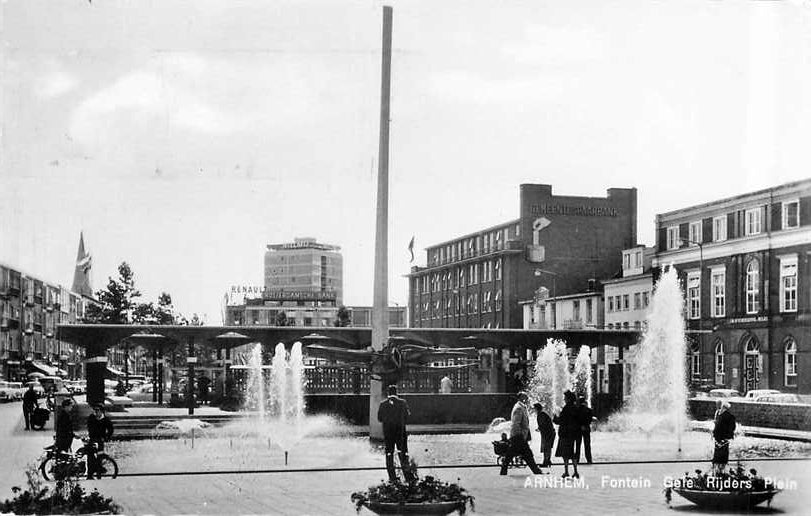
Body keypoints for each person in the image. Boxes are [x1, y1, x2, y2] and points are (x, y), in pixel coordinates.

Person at [377, 385, 416, 483]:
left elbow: (379, 418)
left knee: (389, 453)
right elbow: (407, 416)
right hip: (400, 432)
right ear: (396, 392)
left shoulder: (383, 404)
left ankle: (392, 477)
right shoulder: (402, 403)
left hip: (388, 433)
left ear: (388, 393)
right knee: (403, 453)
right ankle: (407, 476)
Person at [500, 391, 542, 475]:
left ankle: (504, 469)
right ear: (521, 398)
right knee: (524, 454)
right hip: (518, 436)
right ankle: (536, 470)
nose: (527, 399)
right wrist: (520, 435)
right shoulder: (519, 408)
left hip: (519, 436)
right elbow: (516, 423)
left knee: (519, 453)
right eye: (525, 397)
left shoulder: (521, 407)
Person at [553, 390, 581, 478]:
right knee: (572, 453)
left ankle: (566, 471)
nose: (564, 399)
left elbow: (561, 421)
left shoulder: (566, 408)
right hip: (573, 434)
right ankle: (575, 471)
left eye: (565, 397)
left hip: (565, 434)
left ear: (568, 399)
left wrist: (555, 418)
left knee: (565, 454)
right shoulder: (575, 408)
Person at [86, 404, 114, 479]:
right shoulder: (92, 418)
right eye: (95, 410)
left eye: (98, 410)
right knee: (90, 457)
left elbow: (111, 429)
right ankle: (90, 475)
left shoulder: (105, 420)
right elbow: (89, 426)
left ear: (102, 411)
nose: (96, 412)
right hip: (92, 439)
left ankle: (99, 474)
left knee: (99, 457)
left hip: (100, 440)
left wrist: (106, 437)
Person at [712, 400, 736, 474]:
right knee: (723, 454)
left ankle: (719, 469)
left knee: (719, 453)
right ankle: (722, 468)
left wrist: (715, 435)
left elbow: (718, 428)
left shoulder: (723, 416)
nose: (721, 408)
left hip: (720, 439)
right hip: (723, 439)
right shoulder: (727, 416)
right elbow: (732, 428)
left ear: (724, 408)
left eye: (722, 407)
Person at [533, 402, 556, 469]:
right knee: (547, 447)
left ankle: (546, 461)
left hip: (548, 434)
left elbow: (543, 424)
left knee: (546, 447)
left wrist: (539, 428)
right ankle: (547, 460)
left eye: (534, 408)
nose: (534, 410)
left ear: (537, 408)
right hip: (549, 433)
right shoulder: (542, 414)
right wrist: (539, 428)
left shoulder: (541, 415)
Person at [575, 395, 594, 465]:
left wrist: (580, 425)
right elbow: (590, 419)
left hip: (578, 429)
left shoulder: (576, 410)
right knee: (587, 445)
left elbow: (576, 419)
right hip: (586, 429)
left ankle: (577, 460)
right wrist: (585, 425)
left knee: (577, 445)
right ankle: (589, 459)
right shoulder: (589, 410)